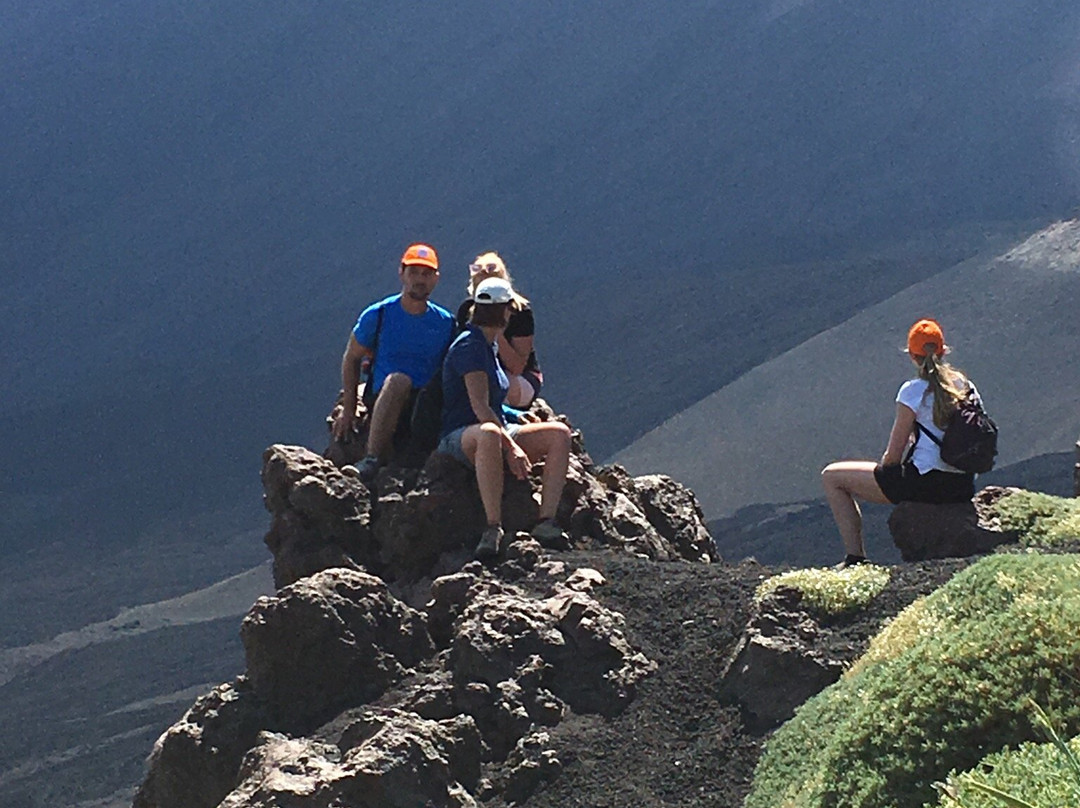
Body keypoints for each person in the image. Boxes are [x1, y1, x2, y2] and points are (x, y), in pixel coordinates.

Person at [821, 319, 979, 567]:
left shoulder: (912, 391)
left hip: (925, 483)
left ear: (912, 356)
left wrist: (886, 470)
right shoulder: (967, 387)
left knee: (832, 477)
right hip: (963, 485)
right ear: (944, 351)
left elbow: (894, 455)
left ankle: (855, 558)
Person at [439, 276, 572, 559]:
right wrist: (511, 448)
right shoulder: (469, 347)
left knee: (559, 434)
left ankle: (545, 521)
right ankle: (492, 527)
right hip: (460, 435)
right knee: (488, 432)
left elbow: (496, 402)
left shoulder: (489, 346)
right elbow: (480, 407)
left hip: (495, 426)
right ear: (507, 310)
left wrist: (517, 417)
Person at [331, 243, 455, 478]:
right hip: (385, 397)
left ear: (436, 279)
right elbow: (352, 358)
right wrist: (349, 409)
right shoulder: (378, 315)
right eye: (414, 272)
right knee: (399, 381)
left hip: (426, 406)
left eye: (427, 274)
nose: (420, 279)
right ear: (401, 273)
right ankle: (372, 459)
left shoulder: (446, 324)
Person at [456, 251, 544, 408]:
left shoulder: (519, 311)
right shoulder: (466, 310)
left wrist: (494, 329)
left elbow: (517, 367)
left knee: (491, 385)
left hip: (520, 377)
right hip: (481, 370)